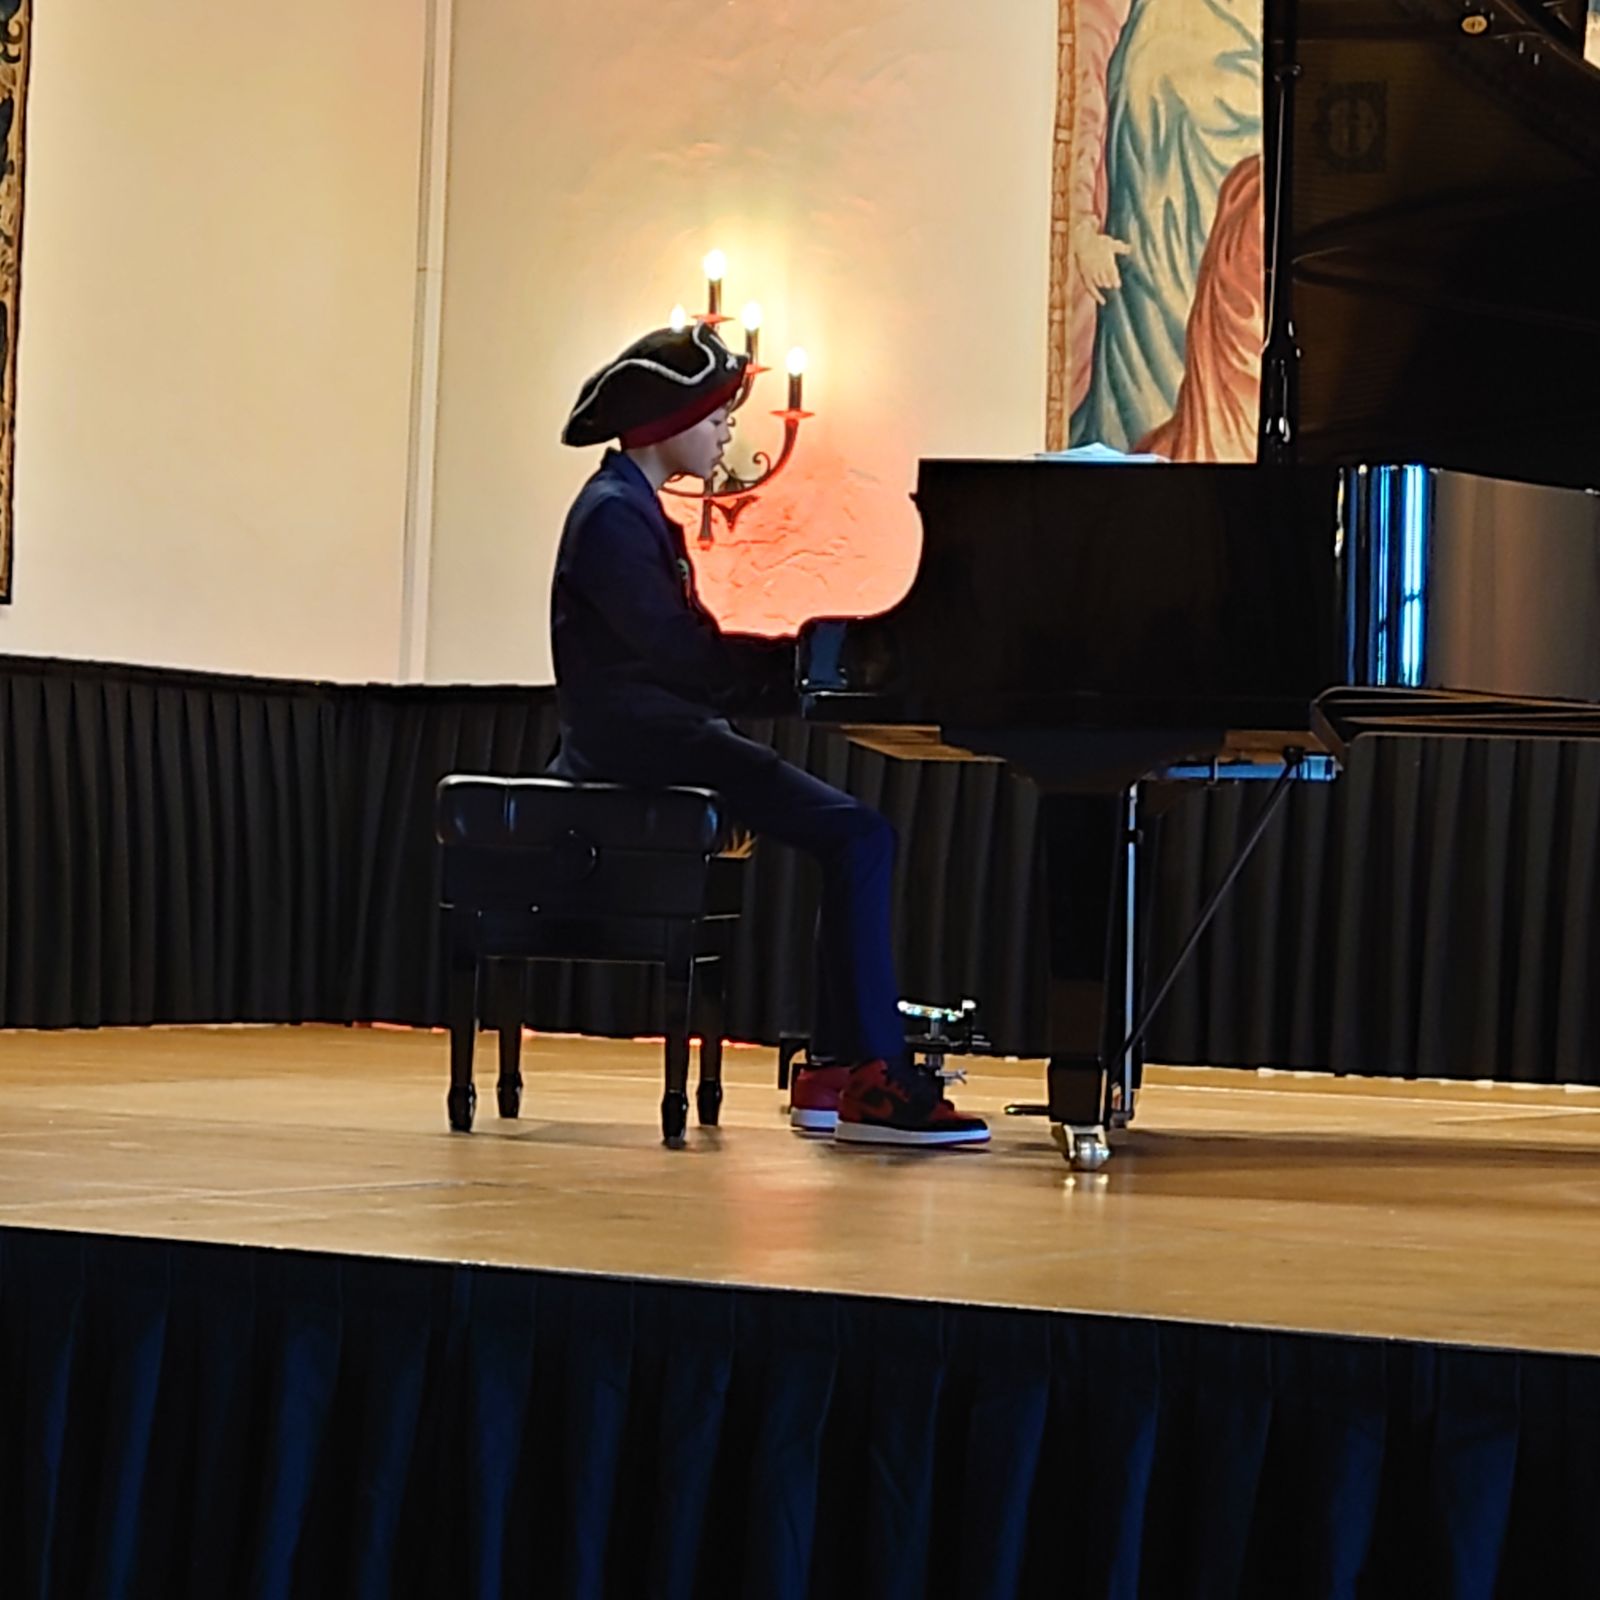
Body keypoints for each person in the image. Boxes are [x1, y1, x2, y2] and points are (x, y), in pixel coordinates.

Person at [549, 319, 988, 1147]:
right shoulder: (613, 516)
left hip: (656, 731)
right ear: (668, 423)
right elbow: (681, 657)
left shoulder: (625, 507)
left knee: (852, 838)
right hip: (641, 743)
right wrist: (797, 672)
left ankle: (838, 1068)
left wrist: (794, 671)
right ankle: (870, 1080)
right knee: (861, 835)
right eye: (717, 415)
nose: (726, 432)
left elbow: (682, 653)